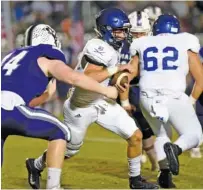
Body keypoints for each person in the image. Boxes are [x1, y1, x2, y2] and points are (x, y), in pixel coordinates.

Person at [26, 8, 159, 189]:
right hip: (80, 106)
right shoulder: (98, 46)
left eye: (124, 30)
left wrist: (117, 78)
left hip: (101, 101)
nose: (124, 35)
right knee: (71, 149)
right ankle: (36, 164)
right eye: (119, 31)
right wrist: (115, 71)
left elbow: (106, 74)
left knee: (135, 135)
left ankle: (135, 180)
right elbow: (89, 78)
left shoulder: (112, 47)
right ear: (106, 30)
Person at [1, 24, 118, 189]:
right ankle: (53, 187)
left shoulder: (10, 58)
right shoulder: (44, 59)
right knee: (61, 132)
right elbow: (74, 78)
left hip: (7, 109)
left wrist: (47, 95)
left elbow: (25, 103)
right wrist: (105, 90)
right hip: (11, 109)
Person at [126, 14, 203, 188]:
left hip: (146, 97)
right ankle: (176, 149)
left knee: (161, 135)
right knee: (195, 135)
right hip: (173, 96)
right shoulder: (185, 41)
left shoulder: (143, 42)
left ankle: (164, 175)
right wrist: (191, 100)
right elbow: (201, 79)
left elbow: (130, 72)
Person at [119, 10, 158, 171]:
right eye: (135, 33)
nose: (138, 37)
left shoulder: (154, 45)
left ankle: (157, 163)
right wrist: (124, 101)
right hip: (126, 89)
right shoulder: (122, 46)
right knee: (139, 127)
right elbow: (124, 77)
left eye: (142, 33)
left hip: (147, 89)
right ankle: (156, 163)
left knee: (147, 128)